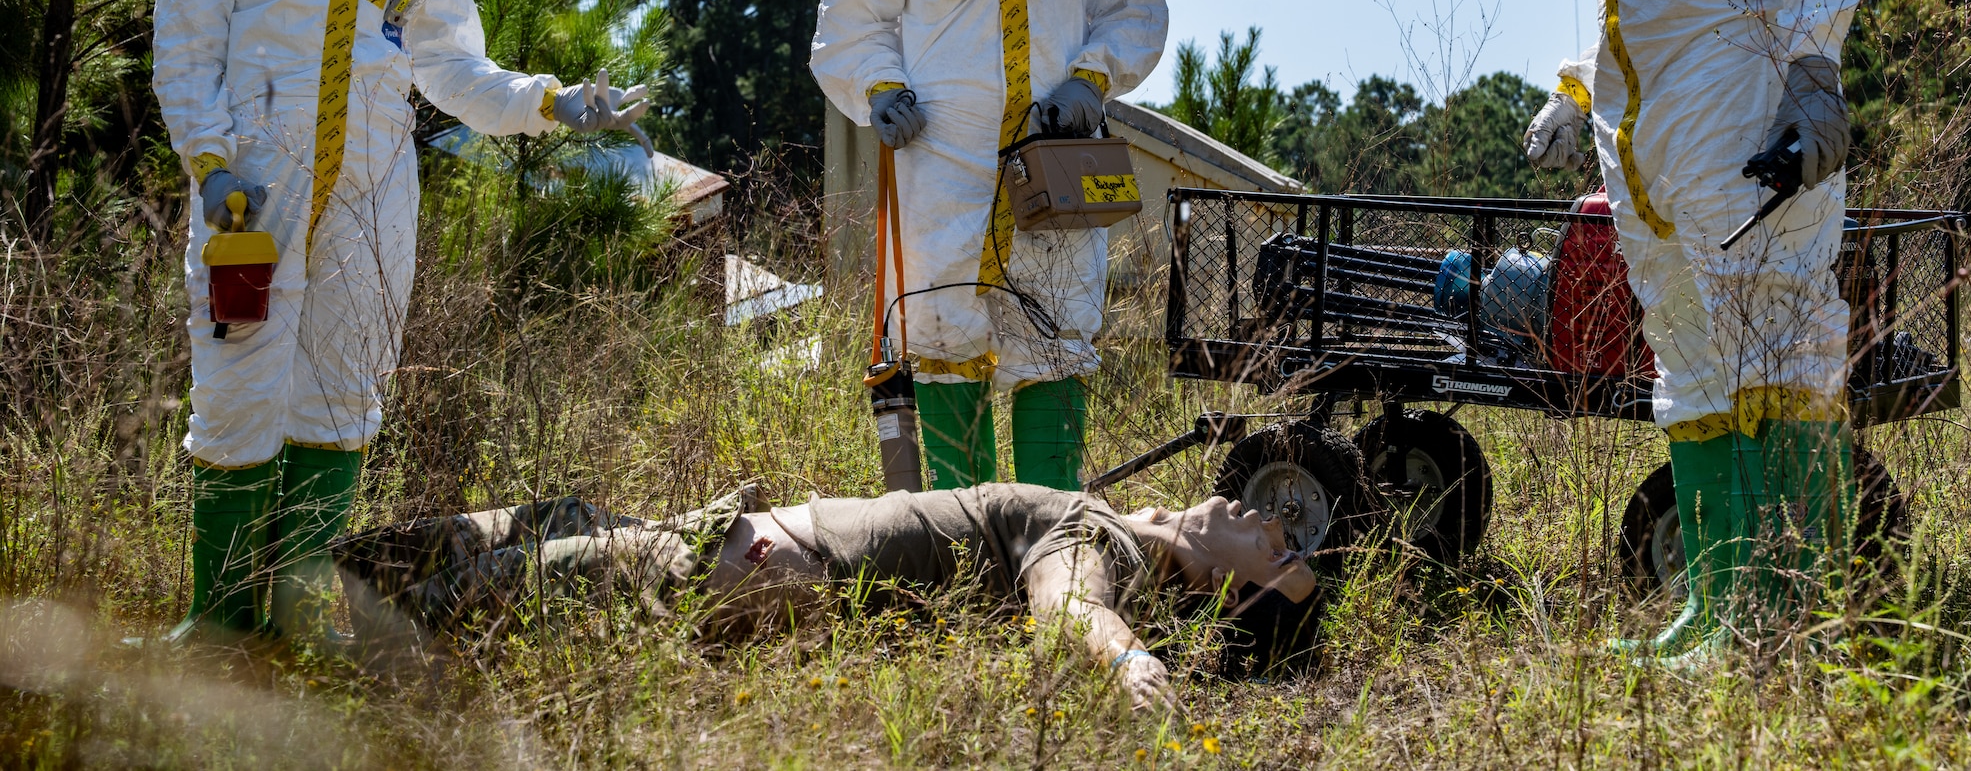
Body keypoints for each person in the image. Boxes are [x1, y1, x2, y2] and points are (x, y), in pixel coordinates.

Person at [152, 0, 653, 643]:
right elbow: (185, 62)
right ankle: (220, 623)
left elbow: (461, 74)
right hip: (251, 208)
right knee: (237, 398)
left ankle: (302, 619)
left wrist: (556, 102)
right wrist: (213, 162)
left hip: (372, 207)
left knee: (340, 401)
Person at [1522, 0, 1861, 656]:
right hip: (1658, 135)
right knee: (1693, 362)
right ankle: (1715, 608)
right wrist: (1581, 85)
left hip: (1748, 109)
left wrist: (1812, 75)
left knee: (1773, 342)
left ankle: (1788, 611)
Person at [812, 0, 1168, 493]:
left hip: (1053, 173)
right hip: (943, 178)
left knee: (1055, 341)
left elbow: (1139, 7)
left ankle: (1055, 543)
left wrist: (1089, 79)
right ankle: (963, 558)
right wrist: (878, 88)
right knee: (943, 340)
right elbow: (847, 23)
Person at [333, 484, 1323, 707]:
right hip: (719, 540)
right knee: (460, 544)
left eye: (1273, 542)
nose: (1257, 512)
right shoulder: (1107, 516)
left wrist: (1130, 660)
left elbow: (1066, 608)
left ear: (1232, 596)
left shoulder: (1101, 544)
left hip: (727, 567)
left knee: (421, 599)